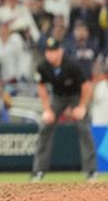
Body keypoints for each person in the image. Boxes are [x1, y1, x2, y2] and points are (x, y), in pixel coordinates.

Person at [30, 37, 98, 182]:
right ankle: (38, 172)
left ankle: (91, 171)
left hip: (75, 96)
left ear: (60, 52)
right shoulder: (43, 66)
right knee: (45, 128)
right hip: (58, 97)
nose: (50, 54)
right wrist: (47, 109)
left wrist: (81, 107)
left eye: (53, 51)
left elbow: (86, 87)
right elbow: (41, 87)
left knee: (84, 128)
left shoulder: (72, 65)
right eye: (48, 51)